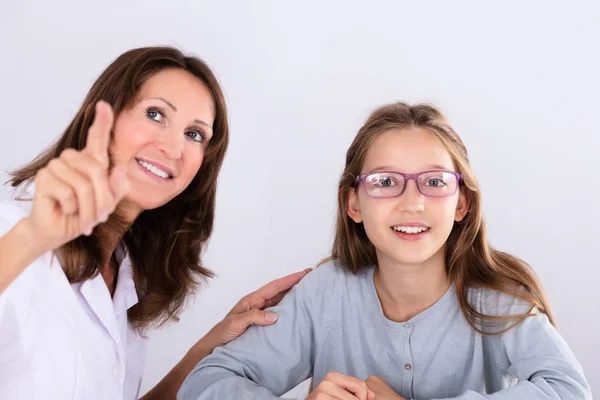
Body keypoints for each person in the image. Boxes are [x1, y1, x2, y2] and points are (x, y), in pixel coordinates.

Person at [178, 102, 592, 399]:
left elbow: (569, 390)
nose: (412, 202)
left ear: (461, 203)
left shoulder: (496, 299)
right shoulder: (325, 293)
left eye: (433, 182)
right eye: (385, 182)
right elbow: (207, 381)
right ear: (353, 204)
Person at [0, 46, 310, 400]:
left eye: (194, 134)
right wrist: (32, 237)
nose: (173, 147)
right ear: (99, 120)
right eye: (155, 114)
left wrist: (210, 346)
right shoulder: (11, 233)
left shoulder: (125, 276)